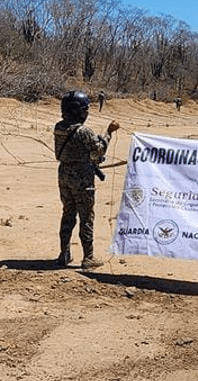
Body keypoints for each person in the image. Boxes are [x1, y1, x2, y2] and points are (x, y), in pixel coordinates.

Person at [54, 91, 119, 269]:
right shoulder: (83, 131)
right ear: (79, 112)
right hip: (82, 178)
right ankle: (88, 257)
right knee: (86, 217)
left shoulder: (58, 127)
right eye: (85, 110)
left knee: (68, 214)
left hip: (64, 175)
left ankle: (64, 254)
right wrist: (109, 133)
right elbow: (99, 151)